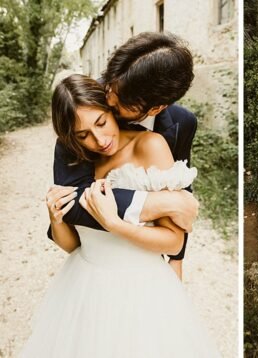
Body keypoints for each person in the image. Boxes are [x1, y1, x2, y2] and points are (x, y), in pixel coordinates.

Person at [21, 75, 219, 356]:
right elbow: (72, 246)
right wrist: (55, 218)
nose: (98, 140)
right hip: (82, 284)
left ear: (111, 109)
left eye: (101, 122)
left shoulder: (150, 145)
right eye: (82, 135)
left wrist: (114, 223)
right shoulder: (79, 160)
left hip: (139, 289)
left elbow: (174, 242)